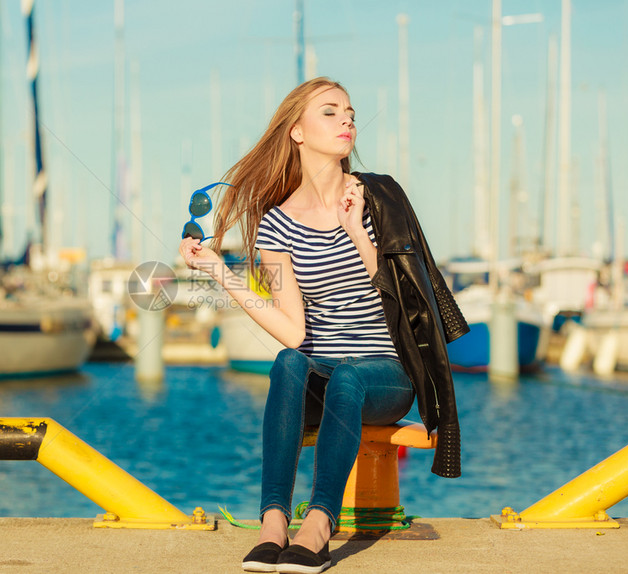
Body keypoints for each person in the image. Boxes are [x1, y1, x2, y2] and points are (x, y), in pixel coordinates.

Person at [179, 77, 468, 574]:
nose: (347, 120)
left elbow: (403, 298)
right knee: (290, 360)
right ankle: (274, 523)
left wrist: (356, 230)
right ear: (297, 132)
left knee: (351, 377)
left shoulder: (379, 197)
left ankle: (317, 527)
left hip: (384, 373)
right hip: (321, 370)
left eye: (350, 112)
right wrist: (218, 271)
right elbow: (293, 331)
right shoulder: (275, 224)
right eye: (330, 112)